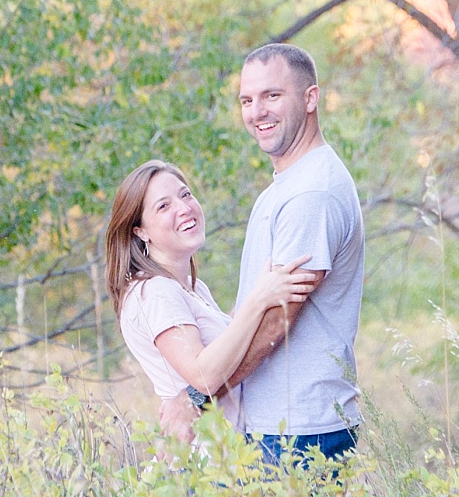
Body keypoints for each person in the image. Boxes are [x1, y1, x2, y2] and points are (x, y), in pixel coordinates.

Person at [104, 156, 320, 444]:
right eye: (164, 206)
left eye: (186, 195)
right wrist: (259, 299)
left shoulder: (192, 288)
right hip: (202, 459)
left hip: (226, 453)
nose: (183, 208)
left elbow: (228, 343)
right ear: (140, 230)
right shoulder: (155, 293)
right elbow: (203, 375)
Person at [231, 42, 367, 471]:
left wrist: (206, 391)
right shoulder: (289, 183)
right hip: (279, 425)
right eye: (247, 100)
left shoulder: (313, 192)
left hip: (298, 433)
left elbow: (278, 317)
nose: (257, 112)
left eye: (272, 96)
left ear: (310, 98)